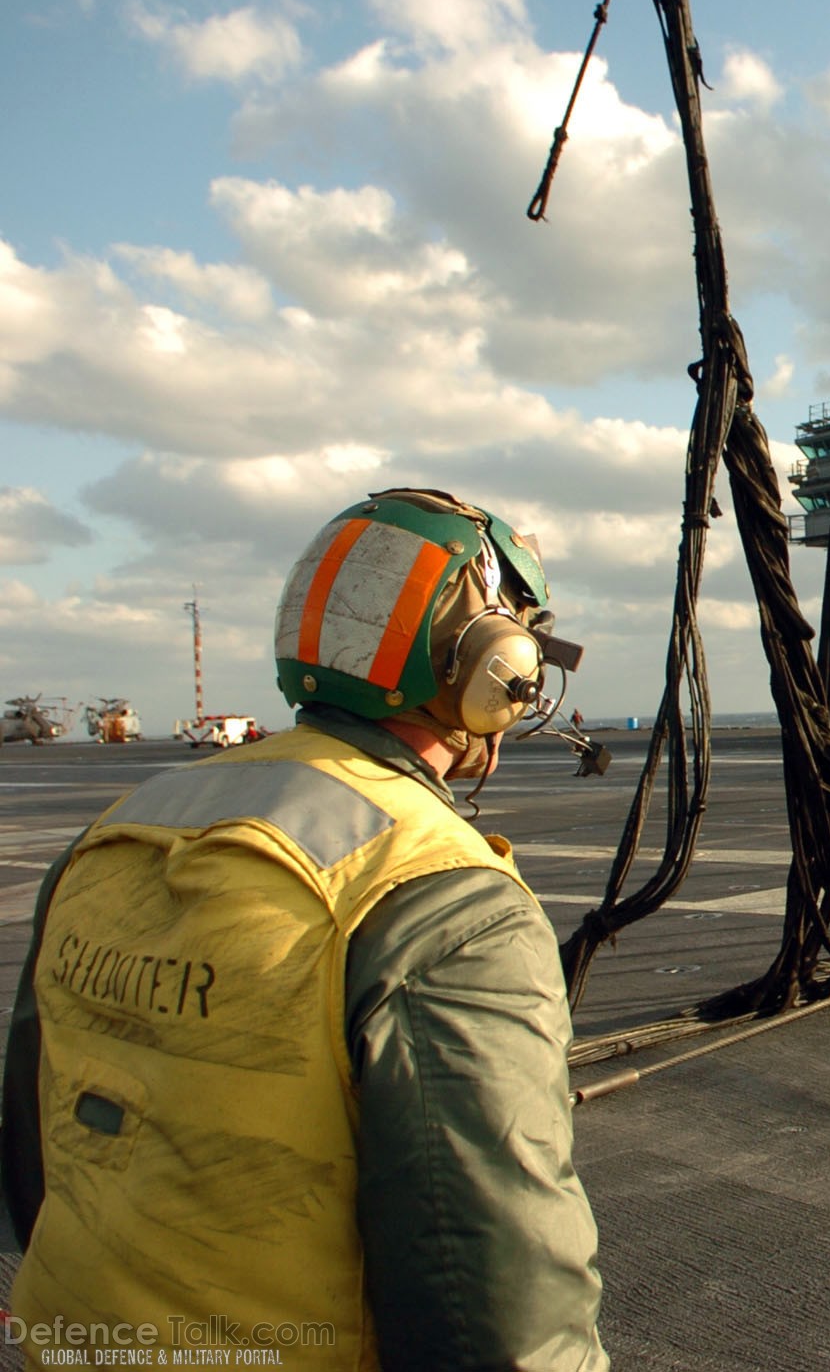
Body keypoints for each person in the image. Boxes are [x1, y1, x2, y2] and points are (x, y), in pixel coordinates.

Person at [1, 489, 607, 1369]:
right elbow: (504, 1314)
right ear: (489, 663)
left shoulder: (111, 835)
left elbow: (34, 1157)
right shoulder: (445, 901)